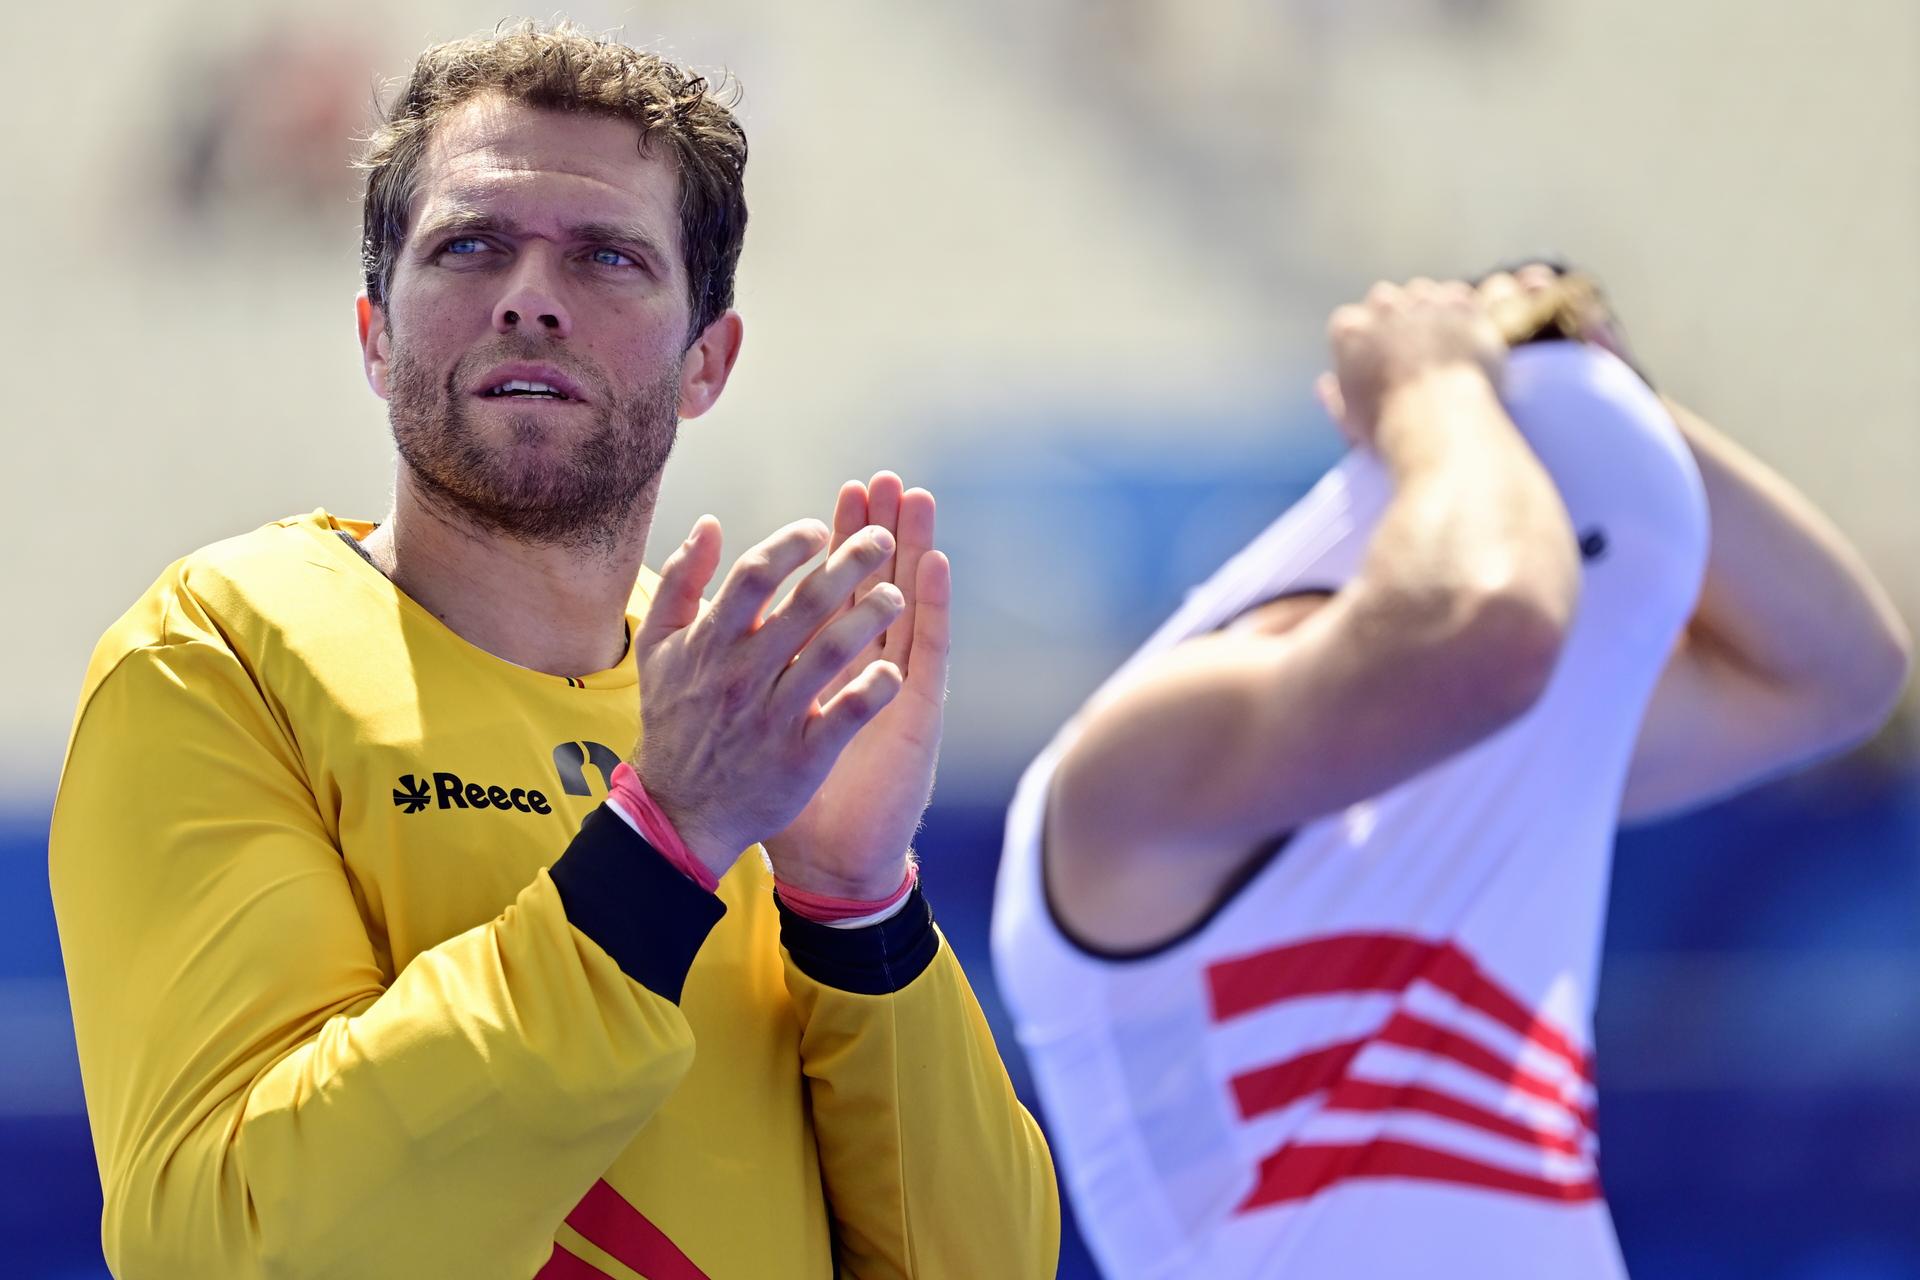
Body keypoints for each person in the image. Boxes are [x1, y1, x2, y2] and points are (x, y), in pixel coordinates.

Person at [51, 22, 1057, 1279]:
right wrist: (664, 842)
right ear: (374, 332)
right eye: (470, 244)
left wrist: (857, 899)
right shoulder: (217, 652)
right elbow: (246, 1243)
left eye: (607, 256)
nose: (531, 294)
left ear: (708, 361)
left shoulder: (752, 715)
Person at [991, 265, 1909, 1278]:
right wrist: (1431, 385)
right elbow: (1490, 627)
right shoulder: (1140, 756)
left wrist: (1583, 379)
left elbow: (1842, 677)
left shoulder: (1479, 750)